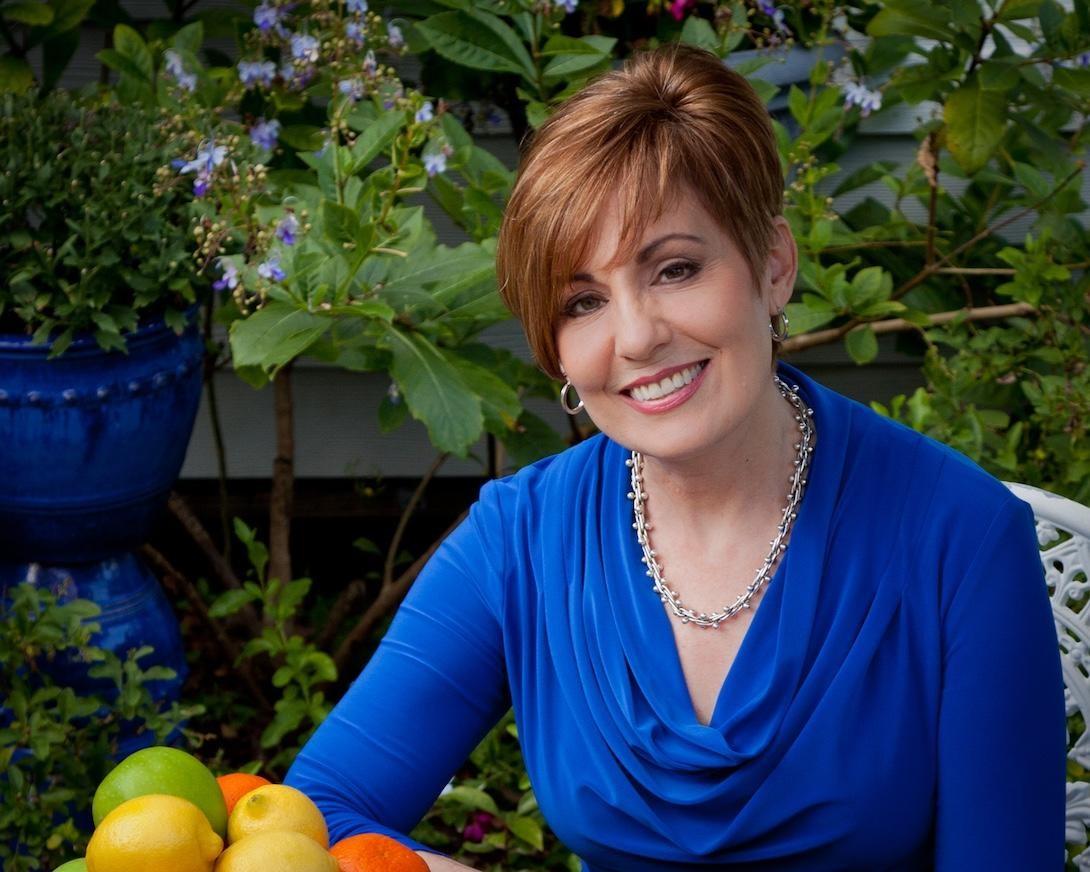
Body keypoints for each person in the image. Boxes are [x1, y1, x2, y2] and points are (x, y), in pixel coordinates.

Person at [285, 44, 1066, 870]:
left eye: (676, 269)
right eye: (583, 301)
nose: (635, 337)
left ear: (772, 266)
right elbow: (319, 817)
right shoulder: (521, 542)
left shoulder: (962, 539)